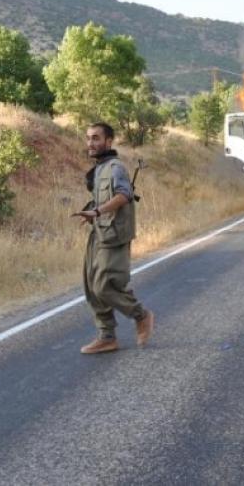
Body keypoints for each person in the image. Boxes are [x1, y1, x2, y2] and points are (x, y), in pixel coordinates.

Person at [72, 122, 154, 354]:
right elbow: (102, 199)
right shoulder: (99, 168)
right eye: (88, 138)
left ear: (108, 141)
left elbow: (124, 195)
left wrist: (98, 212)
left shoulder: (116, 167)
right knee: (91, 285)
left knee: (105, 285)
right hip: (99, 232)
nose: (90, 143)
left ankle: (141, 315)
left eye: (96, 138)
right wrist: (92, 212)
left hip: (114, 235)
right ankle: (107, 337)